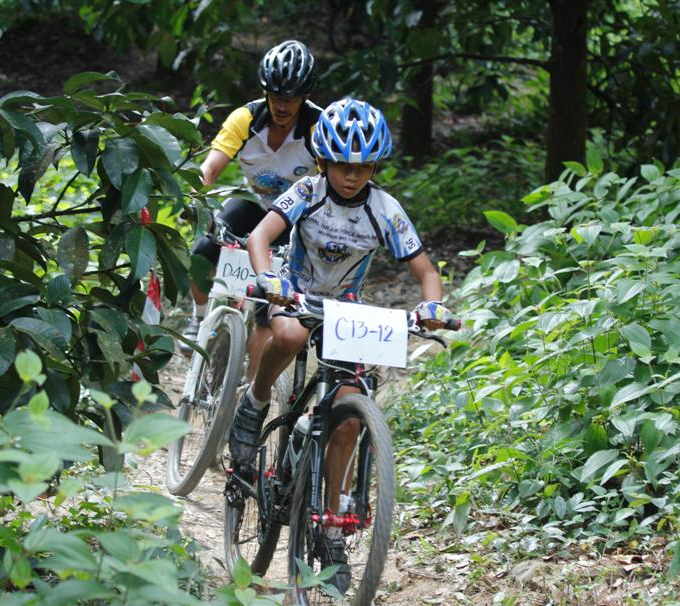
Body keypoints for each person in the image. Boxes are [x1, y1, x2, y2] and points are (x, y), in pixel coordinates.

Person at [229, 97, 452, 592]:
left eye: (363, 167)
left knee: (350, 417)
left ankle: (331, 522)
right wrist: (268, 278)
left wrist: (433, 305)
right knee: (289, 334)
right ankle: (255, 401)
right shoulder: (307, 192)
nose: (352, 177)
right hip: (293, 291)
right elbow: (261, 238)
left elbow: (425, 271)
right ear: (324, 161)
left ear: (375, 168)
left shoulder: (384, 209)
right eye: (343, 166)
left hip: (345, 308)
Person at [181, 39, 323, 373]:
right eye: (275, 96)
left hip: (296, 219)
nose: (282, 105)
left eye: (290, 98)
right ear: (264, 92)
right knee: (203, 248)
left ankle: (250, 388)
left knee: (265, 303)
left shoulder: (317, 126)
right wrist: (195, 201)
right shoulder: (245, 118)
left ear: (304, 96)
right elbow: (209, 169)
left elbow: (329, 183)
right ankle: (198, 318)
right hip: (256, 206)